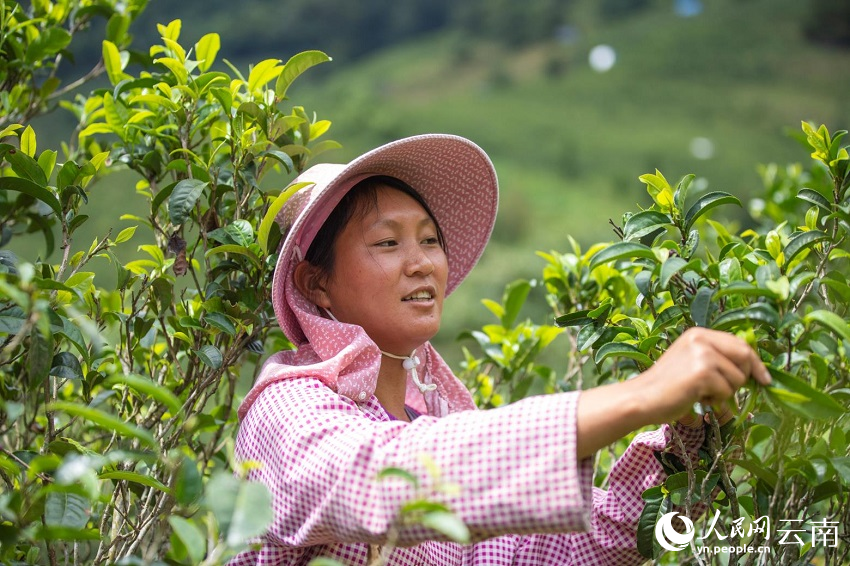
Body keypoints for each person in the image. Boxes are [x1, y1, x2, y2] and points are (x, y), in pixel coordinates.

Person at [228, 134, 771, 565]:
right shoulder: (287, 408)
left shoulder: (429, 416)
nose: (422, 263)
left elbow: (550, 550)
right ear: (317, 283)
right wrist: (641, 394)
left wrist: (688, 441)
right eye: (387, 242)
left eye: (430, 239)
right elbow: (376, 477)